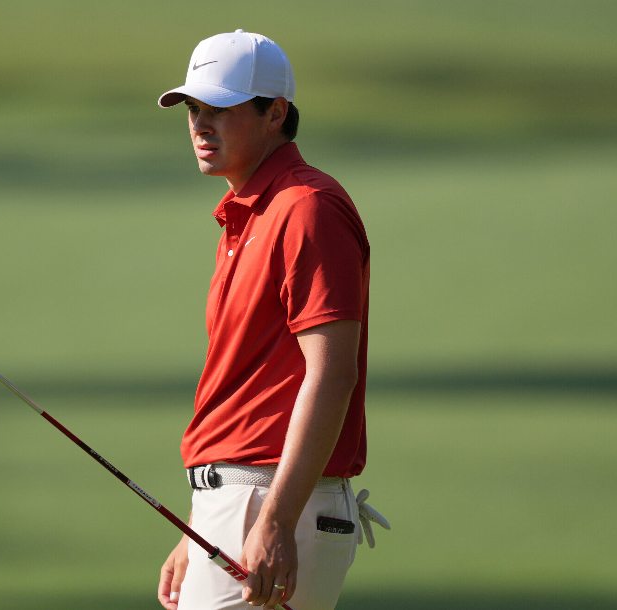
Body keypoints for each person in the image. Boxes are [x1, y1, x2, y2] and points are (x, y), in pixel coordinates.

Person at [154, 30, 388, 610]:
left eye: (221, 110)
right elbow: (243, 388)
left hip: (275, 504)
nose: (200, 125)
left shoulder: (306, 207)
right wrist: (200, 524)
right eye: (193, 109)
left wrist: (275, 520)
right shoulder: (247, 216)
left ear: (275, 113)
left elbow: (331, 374)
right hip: (238, 507)